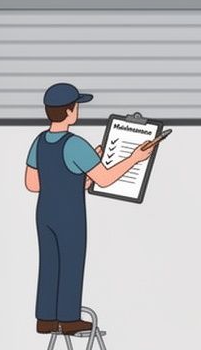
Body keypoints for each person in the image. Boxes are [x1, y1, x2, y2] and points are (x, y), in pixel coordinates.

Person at [24, 83, 154, 335]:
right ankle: (70, 319)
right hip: (70, 216)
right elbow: (106, 178)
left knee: (50, 262)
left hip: (45, 214)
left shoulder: (38, 141)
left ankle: (46, 318)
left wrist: (80, 176)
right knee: (71, 261)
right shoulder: (75, 144)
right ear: (70, 111)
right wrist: (135, 158)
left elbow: (32, 183)